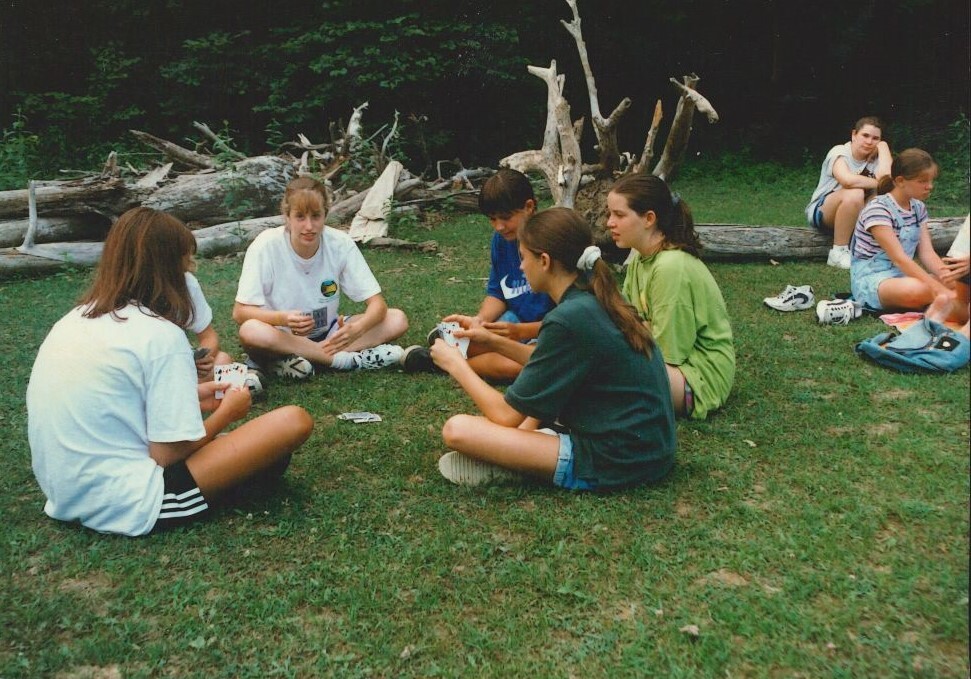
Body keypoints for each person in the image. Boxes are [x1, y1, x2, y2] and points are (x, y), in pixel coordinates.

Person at [26, 208, 313, 537]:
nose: (190, 272)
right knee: (292, 423)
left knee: (262, 452)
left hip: (65, 493)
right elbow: (165, 455)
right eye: (187, 264)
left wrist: (193, 397)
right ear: (167, 270)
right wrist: (227, 414)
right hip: (127, 501)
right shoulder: (160, 334)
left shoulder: (75, 319)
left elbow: (114, 403)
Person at [430, 207, 676, 490]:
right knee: (533, 403)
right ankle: (522, 454)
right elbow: (548, 363)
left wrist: (455, 364)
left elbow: (506, 414)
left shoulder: (568, 317)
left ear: (544, 261)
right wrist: (493, 340)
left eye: (523, 258)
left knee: (457, 430)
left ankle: (524, 464)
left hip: (616, 461)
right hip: (652, 451)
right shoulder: (593, 297)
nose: (521, 267)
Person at [233, 176, 408, 378]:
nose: (309, 226)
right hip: (281, 334)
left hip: (330, 332)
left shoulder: (340, 243)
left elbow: (378, 305)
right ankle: (342, 361)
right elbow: (240, 313)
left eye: (316, 216)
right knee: (251, 331)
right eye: (300, 217)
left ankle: (297, 360)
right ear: (287, 217)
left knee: (397, 319)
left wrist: (358, 329)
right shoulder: (265, 245)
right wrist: (283, 318)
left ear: (325, 214)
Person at [401, 168, 553, 381]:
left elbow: (566, 321)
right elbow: (498, 292)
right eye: (492, 219)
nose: (499, 226)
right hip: (513, 321)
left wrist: (520, 332)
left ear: (529, 207)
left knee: (519, 367)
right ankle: (451, 348)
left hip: (544, 331)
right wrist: (479, 321)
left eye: (506, 217)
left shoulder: (550, 241)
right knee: (466, 337)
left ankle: (446, 363)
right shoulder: (501, 240)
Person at [607, 174, 735, 420]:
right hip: (663, 364)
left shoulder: (671, 266)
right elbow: (625, 320)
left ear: (649, 219)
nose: (609, 223)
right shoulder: (640, 258)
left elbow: (668, 352)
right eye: (610, 214)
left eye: (619, 215)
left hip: (697, 378)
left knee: (596, 373)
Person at [849, 149, 968, 321]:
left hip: (904, 275)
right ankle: (953, 306)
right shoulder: (878, 209)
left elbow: (927, 253)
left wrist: (949, 278)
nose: (930, 186)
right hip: (873, 281)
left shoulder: (918, 208)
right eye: (922, 181)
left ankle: (952, 304)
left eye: (931, 180)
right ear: (900, 181)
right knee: (920, 290)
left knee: (959, 283)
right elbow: (900, 259)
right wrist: (939, 289)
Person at [806, 116, 892, 269]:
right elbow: (847, 181)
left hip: (856, 213)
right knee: (855, 192)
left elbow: (887, 179)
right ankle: (838, 252)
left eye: (875, 138)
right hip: (823, 211)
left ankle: (869, 248)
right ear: (854, 135)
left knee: (881, 197)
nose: (869, 141)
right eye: (865, 135)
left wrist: (884, 147)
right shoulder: (840, 152)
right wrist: (880, 183)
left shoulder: (877, 157)